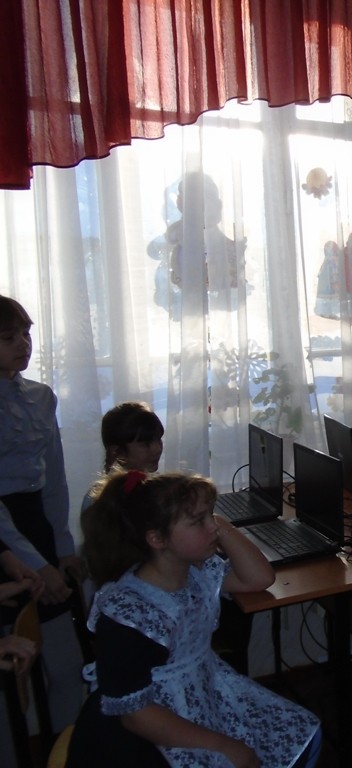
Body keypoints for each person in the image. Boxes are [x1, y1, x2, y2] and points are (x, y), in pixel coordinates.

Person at [69, 470, 321, 767]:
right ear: (157, 539)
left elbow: (259, 578)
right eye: (198, 521)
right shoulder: (130, 614)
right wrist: (223, 745)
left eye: (211, 515)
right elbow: (134, 714)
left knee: (304, 735)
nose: (212, 526)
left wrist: (218, 525)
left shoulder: (195, 572)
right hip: (147, 730)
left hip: (202, 692)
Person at [0, 294, 85, 742]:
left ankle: (64, 752)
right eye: (8, 337)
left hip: (37, 526)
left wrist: (62, 549)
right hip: (4, 543)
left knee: (67, 665)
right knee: (10, 677)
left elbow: (54, 480)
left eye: (26, 334)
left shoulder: (41, 396)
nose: (23, 344)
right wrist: (35, 563)